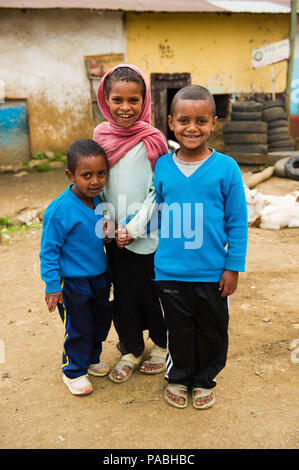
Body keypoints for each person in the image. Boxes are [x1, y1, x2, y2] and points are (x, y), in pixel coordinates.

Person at [153, 85, 248, 409]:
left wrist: (232, 266)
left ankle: (205, 379)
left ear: (214, 122)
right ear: (170, 122)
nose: (192, 128)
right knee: (178, 331)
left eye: (201, 121)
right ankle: (179, 378)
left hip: (212, 270)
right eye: (183, 120)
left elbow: (237, 222)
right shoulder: (163, 167)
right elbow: (159, 212)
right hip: (171, 270)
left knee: (212, 330)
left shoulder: (227, 168)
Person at [93, 64, 169, 383]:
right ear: (105, 100)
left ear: (144, 101)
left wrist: (134, 228)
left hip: (149, 235)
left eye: (133, 100)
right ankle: (130, 349)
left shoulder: (152, 139)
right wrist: (107, 224)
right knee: (123, 294)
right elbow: (95, 184)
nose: (126, 108)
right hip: (113, 239)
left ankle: (162, 347)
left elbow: (159, 191)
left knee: (155, 293)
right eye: (118, 100)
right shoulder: (99, 137)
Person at [39, 139, 112, 396]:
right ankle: (73, 371)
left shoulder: (101, 200)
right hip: (72, 283)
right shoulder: (59, 210)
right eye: (86, 175)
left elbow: (103, 230)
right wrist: (51, 286)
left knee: (101, 321)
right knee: (79, 326)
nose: (94, 181)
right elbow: (49, 251)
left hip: (100, 277)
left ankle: (91, 359)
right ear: (71, 175)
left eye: (101, 173)